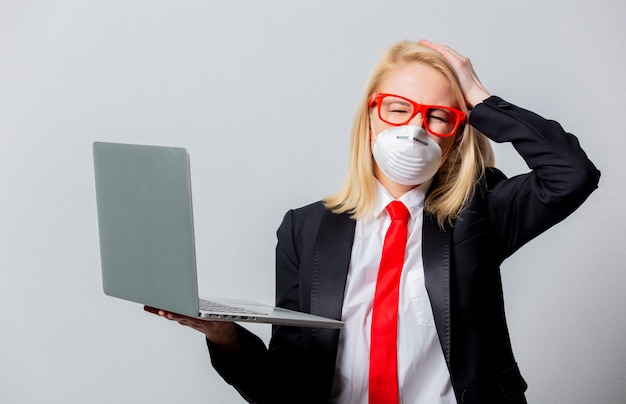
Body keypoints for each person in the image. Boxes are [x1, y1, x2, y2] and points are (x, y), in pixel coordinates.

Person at [148, 39, 600, 403]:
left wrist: (478, 96)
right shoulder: (303, 230)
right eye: (398, 109)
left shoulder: (481, 213)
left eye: (438, 116)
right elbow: (284, 387)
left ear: (457, 137)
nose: (415, 129)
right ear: (370, 117)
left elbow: (572, 174)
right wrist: (225, 335)